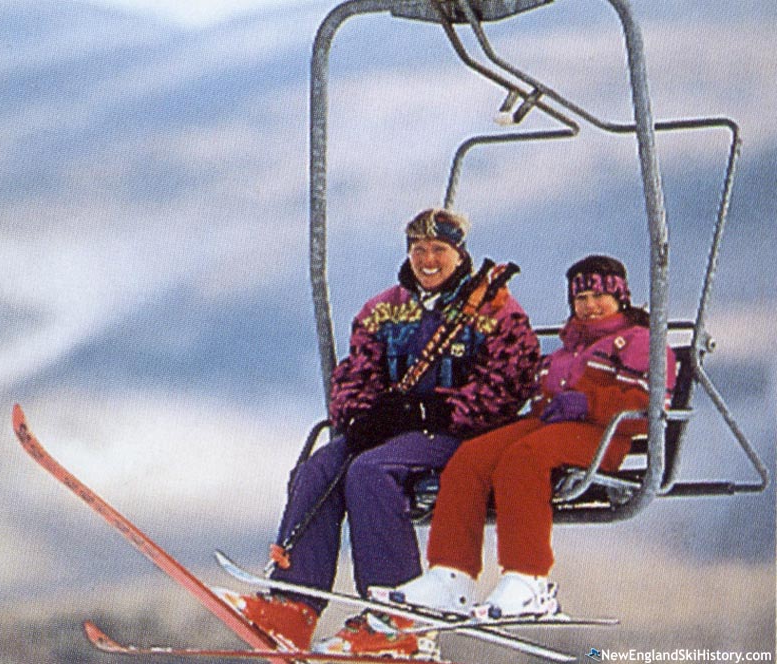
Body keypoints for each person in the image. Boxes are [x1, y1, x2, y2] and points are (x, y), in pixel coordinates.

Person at [220, 208, 541, 656]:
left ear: (459, 253)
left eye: (439, 251)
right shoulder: (385, 309)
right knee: (318, 470)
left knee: (370, 472)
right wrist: (360, 414)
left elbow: (510, 382)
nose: (428, 260)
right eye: (419, 250)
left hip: (457, 435)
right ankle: (293, 604)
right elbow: (356, 372)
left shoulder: (494, 310)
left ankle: (398, 616)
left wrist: (433, 410)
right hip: (394, 429)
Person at [388, 254, 677, 620]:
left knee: (522, 458)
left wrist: (588, 403)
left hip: (602, 435)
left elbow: (647, 405)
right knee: (470, 457)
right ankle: (451, 575)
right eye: (580, 299)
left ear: (620, 298)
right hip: (549, 428)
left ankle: (529, 579)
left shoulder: (639, 341)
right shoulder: (568, 347)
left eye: (597, 297)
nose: (588, 307)